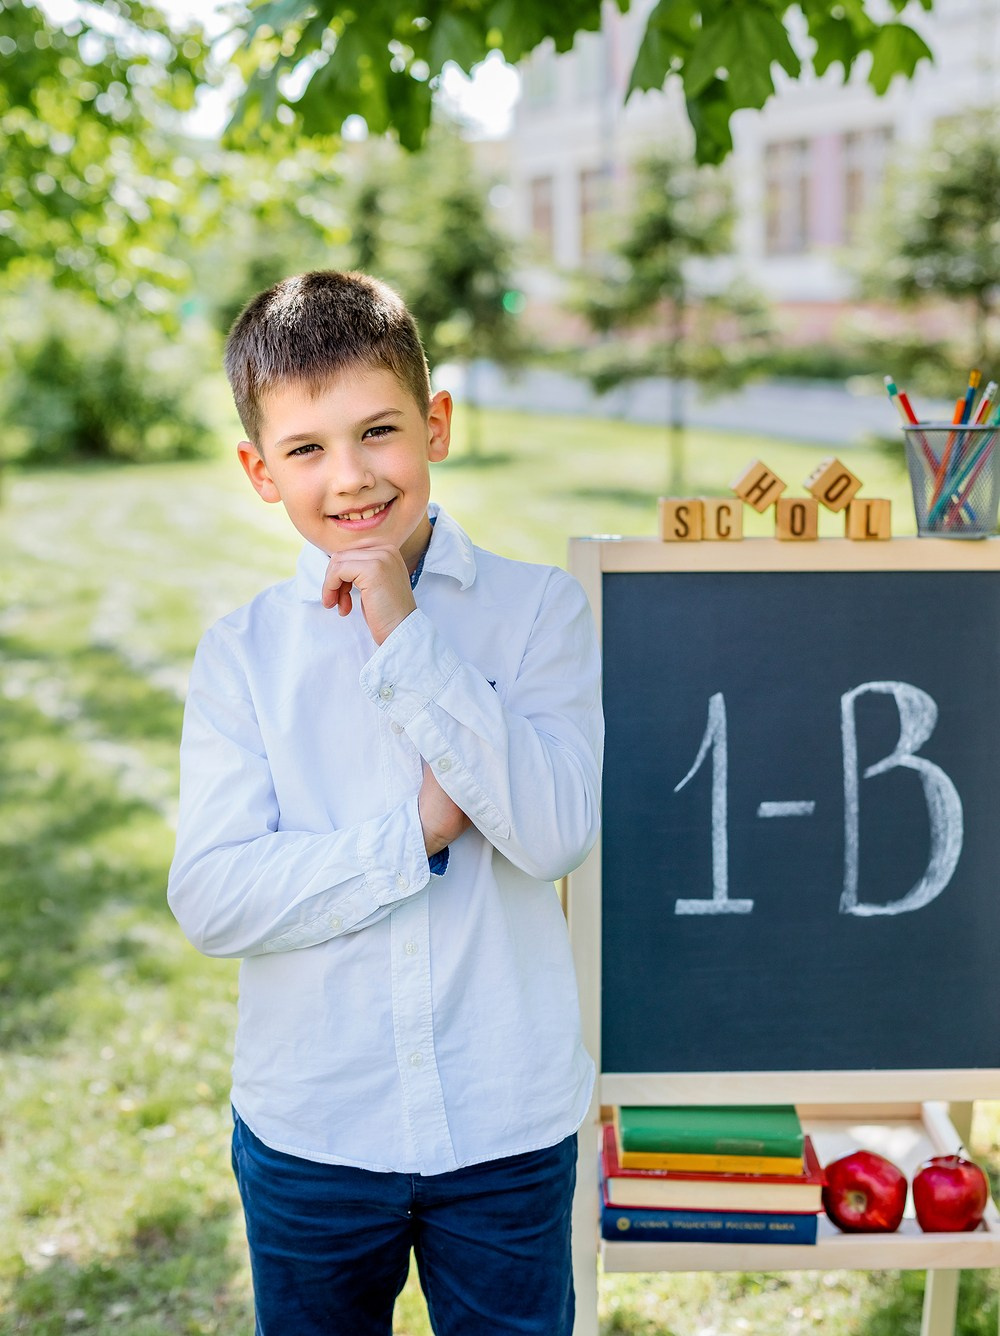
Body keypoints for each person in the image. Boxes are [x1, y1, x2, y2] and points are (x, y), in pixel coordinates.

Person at [167, 269, 604, 1336]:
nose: (353, 477)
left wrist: (405, 633)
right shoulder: (243, 655)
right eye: (307, 448)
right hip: (316, 1124)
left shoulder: (538, 612)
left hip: (504, 1123)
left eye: (378, 432)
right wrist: (410, 835)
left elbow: (550, 835)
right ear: (259, 471)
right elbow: (214, 898)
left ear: (436, 424)